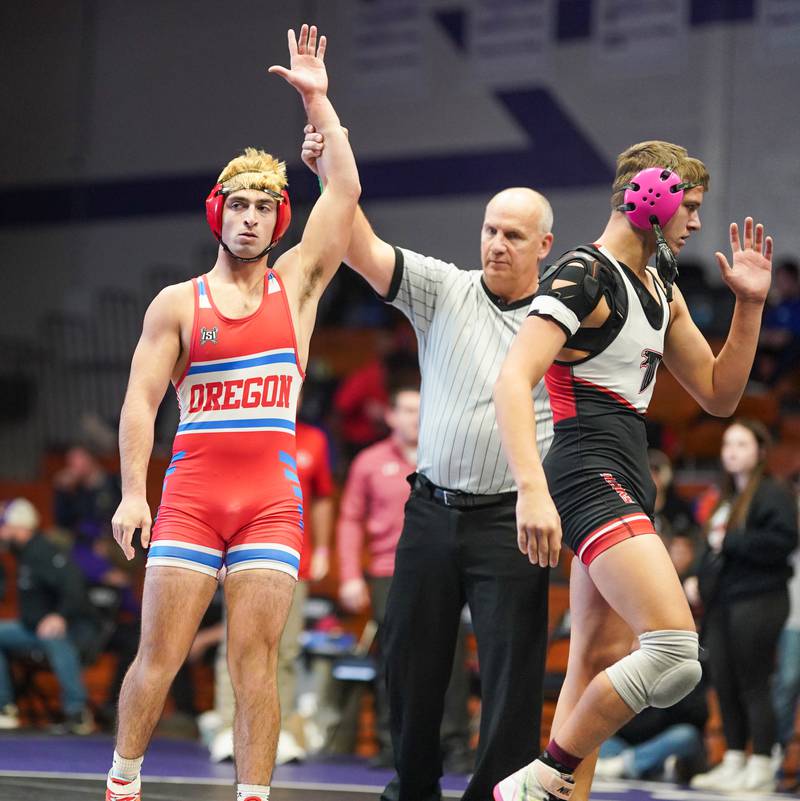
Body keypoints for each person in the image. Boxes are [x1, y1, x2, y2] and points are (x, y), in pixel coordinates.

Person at [105, 25, 359, 801]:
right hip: (190, 497)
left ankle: (255, 794)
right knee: (160, 656)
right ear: (217, 212)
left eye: (264, 207)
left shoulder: (298, 285)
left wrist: (318, 103)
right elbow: (141, 400)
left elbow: (345, 194)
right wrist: (133, 492)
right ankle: (122, 781)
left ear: (281, 221)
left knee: (256, 663)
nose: (250, 218)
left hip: (270, 505)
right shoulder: (178, 303)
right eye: (239, 204)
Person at [491, 140, 774, 801]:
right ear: (649, 196)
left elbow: (718, 393)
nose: (696, 222)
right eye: (689, 206)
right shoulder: (582, 274)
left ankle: (559, 794)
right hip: (587, 470)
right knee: (675, 653)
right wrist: (531, 489)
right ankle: (541, 777)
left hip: (625, 472)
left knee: (596, 659)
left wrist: (750, 307)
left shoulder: (659, 285)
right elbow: (511, 378)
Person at [302, 130, 554, 801]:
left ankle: (495, 794)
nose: (497, 244)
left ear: (544, 246)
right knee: (408, 660)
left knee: (511, 674)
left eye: (514, 235)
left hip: (511, 521)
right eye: (490, 230)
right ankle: (413, 787)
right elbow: (358, 244)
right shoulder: (444, 288)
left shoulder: (561, 319)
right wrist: (332, 171)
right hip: (431, 510)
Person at [337, 385, 471, 770]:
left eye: (421, 409)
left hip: (444, 569)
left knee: (452, 657)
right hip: (388, 571)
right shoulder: (369, 461)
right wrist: (349, 575)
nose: (416, 417)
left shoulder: (444, 455)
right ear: (391, 416)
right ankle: (392, 744)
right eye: (408, 410)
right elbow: (350, 519)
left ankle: (455, 745)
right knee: (395, 658)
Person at [685, 420, 797, 793]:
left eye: (741, 444)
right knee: (725, 681)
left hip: (759, 599)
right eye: (727, 444)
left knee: (754, 681)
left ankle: (762, 762)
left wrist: (732, 542)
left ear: (760, 451)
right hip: (723, 603)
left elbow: (784, 540)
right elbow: (710, 547)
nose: (731, 451)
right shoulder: (726, 497)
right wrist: (697, 577)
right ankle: (733, 759)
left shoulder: (771, 492)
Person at [0, 497, 98, 733]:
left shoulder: (43, 551)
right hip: (31, 628)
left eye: (4, 526)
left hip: (72, 629)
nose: (1, 533)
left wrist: (59, 615)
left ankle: (77, 712)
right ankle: (5, 708)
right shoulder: (25, 554)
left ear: (20, 527)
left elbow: (74, 584)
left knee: (54, 636)